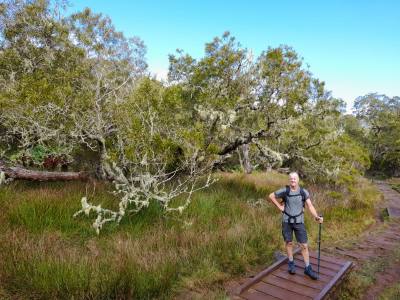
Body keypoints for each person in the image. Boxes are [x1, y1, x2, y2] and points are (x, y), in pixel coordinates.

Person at [268, 172, 323, 280]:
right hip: (287, 221)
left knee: (304, 245)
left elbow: (310, 205)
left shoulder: (303, 192)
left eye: (295, 178)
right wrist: (279, 207)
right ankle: (291, 263)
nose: (293, 180)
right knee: (289, 243)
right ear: (289, 180)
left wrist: (316, 216)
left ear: (298, 180)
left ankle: (307, 268)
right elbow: (271, 196)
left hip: (299, 222)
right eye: (291, 178)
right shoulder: (285, 190)